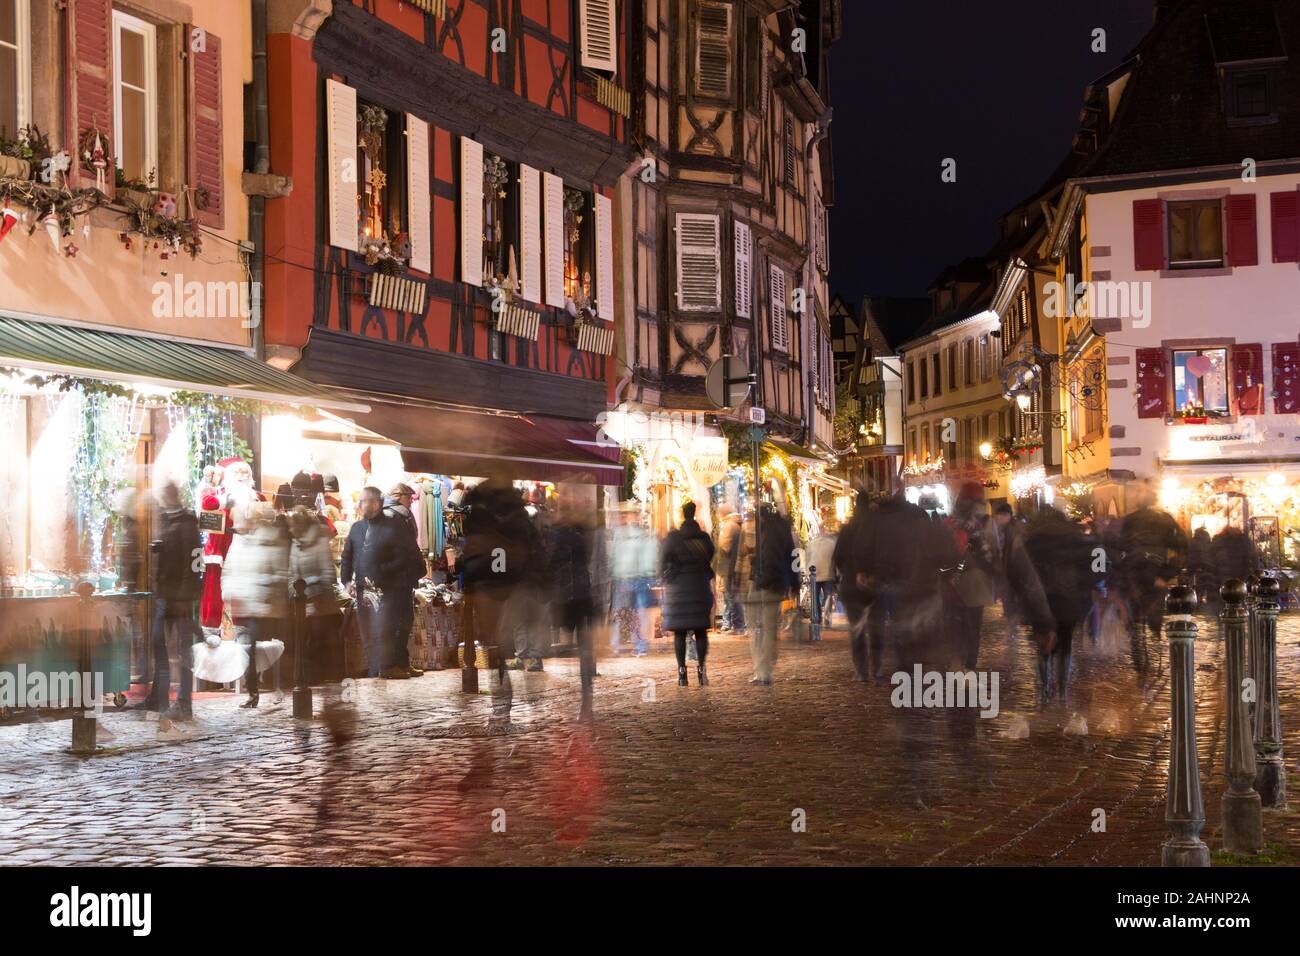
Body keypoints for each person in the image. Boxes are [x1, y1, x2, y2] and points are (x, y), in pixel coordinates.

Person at [340, 487, 421, 680]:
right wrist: (347, 581)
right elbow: (347, 556)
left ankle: (393, 665)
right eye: (360, 500)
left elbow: (404, 556)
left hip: (390, 586)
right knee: (370, 628)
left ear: (376, 504)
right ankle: (380, 667)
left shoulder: (394, 525)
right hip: (364, 588)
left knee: (396, 625)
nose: (360, 504)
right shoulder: (357, 528)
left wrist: (381, 573)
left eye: (364, 501)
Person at [1023, 504, 1096, 705]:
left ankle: (1044, 687)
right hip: (1068, 599)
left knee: (1042, 644)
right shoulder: (1075, 537)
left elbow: (1021, 571)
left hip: (1041, 600)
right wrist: (1085, 590)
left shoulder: (1031, 540)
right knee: (1065, 644)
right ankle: (1062, 689)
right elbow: (1092, 565)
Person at [222, 501, 291, 707]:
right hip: (243, 602)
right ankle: (253, 691)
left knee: (251, 646)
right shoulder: (238, 541)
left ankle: (260, 689)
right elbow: (229, 569)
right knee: (246, 648)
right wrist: (228, 592)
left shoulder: (267, 539)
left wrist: (264, 590)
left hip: (260, 604)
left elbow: (277, 570)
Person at [144, 481, 201, 718]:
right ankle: (160, 698)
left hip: (178, 598)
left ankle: (183, 702)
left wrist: (185, 598)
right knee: (160, 645)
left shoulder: (186, 523)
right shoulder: (168, 519)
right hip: (166, 596)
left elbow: (193, 565)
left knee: (182, 648)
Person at [738, 503, 798, 685]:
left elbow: (746, 559)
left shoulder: (759, 531)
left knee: (757, 629)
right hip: (777, 584)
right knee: (769, 629)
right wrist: (794, 582)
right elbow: (792, 556)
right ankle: (766, 670)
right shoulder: (782, 529)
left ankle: (762, 670)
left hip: (760, 584)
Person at [546, 504, 596, 717]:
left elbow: (547, 563)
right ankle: (586, 694)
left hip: (566, 596)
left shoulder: (554, 538)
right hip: (582, 594)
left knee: (572, 645)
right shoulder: (579, 537)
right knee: (583, 647)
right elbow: (587, 559)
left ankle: (583, 694)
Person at [660, 502, 716, 686]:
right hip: (699, 587)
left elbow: (662, 561)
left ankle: (682, 673)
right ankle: (701, 670)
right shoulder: (704, 538)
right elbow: (710, 556)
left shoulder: (673, 538)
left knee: (679, 633)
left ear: (682, 515)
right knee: (700, 631)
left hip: (678, 590)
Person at [288, 504, 339, 685]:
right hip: (302, 601)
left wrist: (317, 590)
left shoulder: (319, 540)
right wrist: (294, 592)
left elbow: (327, 571)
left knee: (319, 638)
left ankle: (322, 675)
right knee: (305, 639)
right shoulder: (295, 544)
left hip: (320, 601)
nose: (291, 530)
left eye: (294, 526)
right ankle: (310, 676)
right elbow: (292, 573)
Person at [384, 483, 426, 676]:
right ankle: (390, 666)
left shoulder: (393, 515)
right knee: (396, 622)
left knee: (404, 620)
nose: (411, 501)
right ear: (398, 496)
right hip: (396, 577)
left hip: (400, 577)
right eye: (409, 498)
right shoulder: (395, 516)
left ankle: (401, 663)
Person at [608, 507, 658, 656]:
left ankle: (637, 644)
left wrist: (648, 575)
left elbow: (645, 557)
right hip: (626, 577)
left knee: (636, 612)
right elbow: (615, 556)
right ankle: (621, 644)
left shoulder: (639, 535)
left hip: (636, 577)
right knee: (624, 612)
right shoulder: (625, 534)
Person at [713, 506, 746, 632]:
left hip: (729, 567)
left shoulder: (728, 526)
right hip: (734, 566)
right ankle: (737, 625)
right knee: (732, 597)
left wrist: (717, 560)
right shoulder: (735, 525)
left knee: (731, 597)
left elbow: (724, 547)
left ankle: (738, 625)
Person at [806, 520, 838, 627]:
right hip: (828, 572)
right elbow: (835, 559)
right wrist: (836, 572)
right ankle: (827, 619)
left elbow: (807, 558)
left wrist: (807, 571)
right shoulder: (832, 543)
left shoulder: (811, 543)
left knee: (815, 597)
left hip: (814, 573)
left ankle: (817, 618)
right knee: (828, 596)